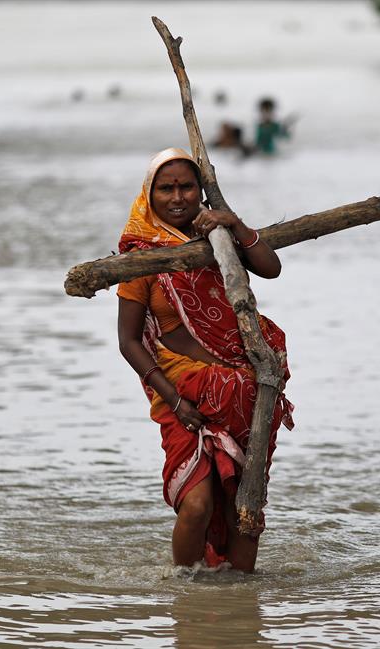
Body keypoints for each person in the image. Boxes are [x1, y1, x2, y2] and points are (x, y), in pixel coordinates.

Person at [116, 148, 295, 572]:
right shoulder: (139, 255)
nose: (177, 197)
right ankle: (185, 592)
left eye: (186, 186)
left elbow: (271, 267)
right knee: (196, 504)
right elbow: (128, 341)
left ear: (200, 191)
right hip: (183, 396)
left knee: (242, 506)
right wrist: (176, 402)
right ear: (149, 194)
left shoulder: (219, 239)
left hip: (244, 392)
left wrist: (232, 223)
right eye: (166, 188)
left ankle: (239, 605)